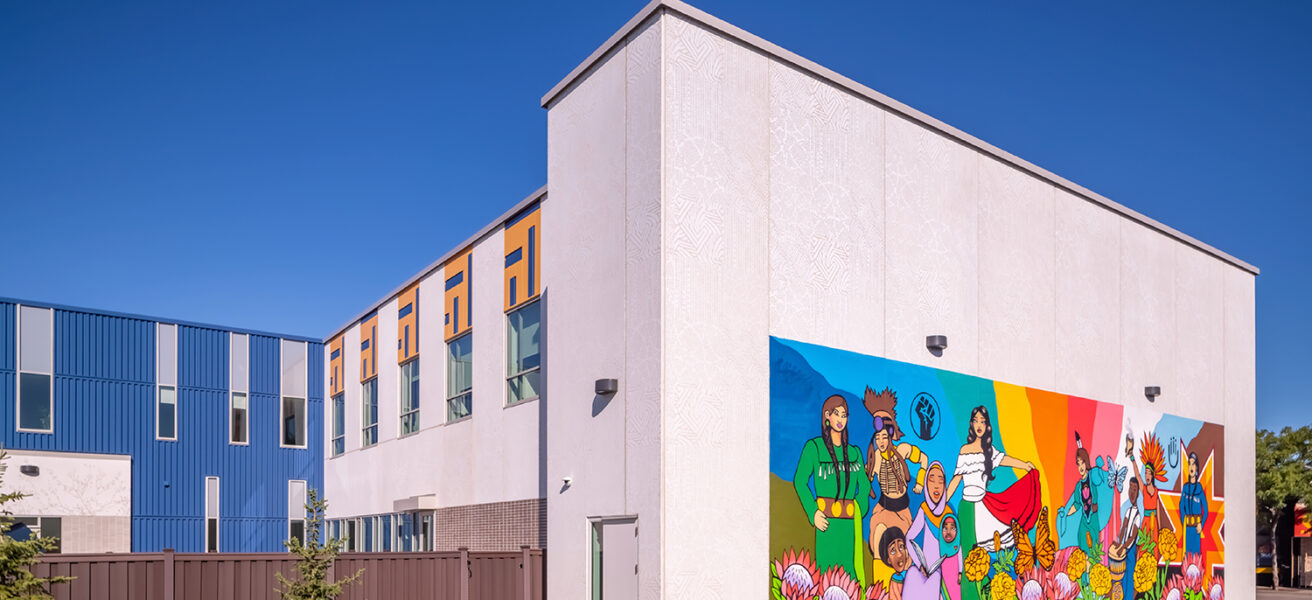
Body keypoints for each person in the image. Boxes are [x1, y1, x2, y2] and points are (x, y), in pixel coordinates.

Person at [944, 406, 1040, 600]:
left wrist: (1025, 465)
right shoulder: (965, 451)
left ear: (987, 426)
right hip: (967, 508)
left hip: (984, 506)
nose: (979, 424)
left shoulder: (989, 451)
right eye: (976, 420)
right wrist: (941, 503)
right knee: (968, 556)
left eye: (983, 421)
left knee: (981, 556)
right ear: (971, 424)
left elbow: (1004, 459)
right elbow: (956, 479)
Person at [792, 394, 872, 583]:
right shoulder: (814, 448)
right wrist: (813, 513)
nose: (841, 419)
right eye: (836, 414)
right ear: (827, 415)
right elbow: (800, 481)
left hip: (850, 525)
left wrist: (859, 511)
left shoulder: (854, 453)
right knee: (826, 578)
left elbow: (865, 485)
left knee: (850, 578)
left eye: (844, 415)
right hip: (826, 524)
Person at [864, 387, 930, 564]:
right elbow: (865, 480)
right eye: (877, 438)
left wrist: (920, 483)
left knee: (904, 555)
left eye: (884, 437)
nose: (880, 442)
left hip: (902, 510)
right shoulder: (875, 458)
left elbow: (924, 459)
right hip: (883, 508)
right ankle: (879, 586)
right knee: (878, 541)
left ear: (891, 435)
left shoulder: (904, 450)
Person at [903, 462, 953, 600]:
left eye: (940, 480)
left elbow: (955, 547)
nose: (936, 485)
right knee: (912, 575)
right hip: (924, 571)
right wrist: (919, 565)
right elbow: (909, 538)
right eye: (932, 479)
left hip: (943, 573)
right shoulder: (924, 510)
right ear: (925, 483)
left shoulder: (948, 514)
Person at [1063, 431, 1108, 557]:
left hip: (1092, 519)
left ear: (1086, 462)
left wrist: (1098, 467)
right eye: (1078, 464)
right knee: (1082, 544)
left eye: (1082, 462)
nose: (1080, 466)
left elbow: (1099, 482)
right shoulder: (1079, 486)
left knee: (1094, 551)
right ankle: (1083, 576)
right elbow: (1077, 504)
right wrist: (1065, 514)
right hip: (1084, 520)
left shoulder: (1092, 477)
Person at [1127, 433, 1168, 543]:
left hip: (1154, 523)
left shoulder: (1156, 491)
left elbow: (1158, 511)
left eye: (1149, 473)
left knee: (1153, 548)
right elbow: (1137, 475)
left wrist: (1159, 530)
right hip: (1146, 522)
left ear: (1153, 475)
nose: (1147, 476)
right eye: (1146, 473)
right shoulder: (1143, 489)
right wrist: (1132, 458)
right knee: (1144, 546)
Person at [1110, 478, 1143, 600]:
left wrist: (1122, 547)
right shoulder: (1128, 511)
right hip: (1125, 548)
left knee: (1129, 579)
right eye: (1130, 488)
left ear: (1138, 493)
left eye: (1134, 489)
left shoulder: (1138, 515)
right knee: (1123, 578)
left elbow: (1133, 537)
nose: (1132, 493)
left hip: (1130, 551)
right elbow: (1123, 527)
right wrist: (1119, 543)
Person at [1180, 452, 1208, 555]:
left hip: (1196, 528)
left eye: (1193, 464)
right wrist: (1183, 521)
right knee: (1187, 556)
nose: (1191, 467)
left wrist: (1202, 524)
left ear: (1196, 468)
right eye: (1189, 464)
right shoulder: (1185, 487)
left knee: (1196, 556)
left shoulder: (1199, 488)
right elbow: (1181, 506)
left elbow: (1206, 509)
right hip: (1187, 527)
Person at [879, 527, 912, 600]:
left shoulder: (915, 570)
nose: (899, 554)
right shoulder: (896, 580)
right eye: (893, 550)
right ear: (888, 560)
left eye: (901, 546)